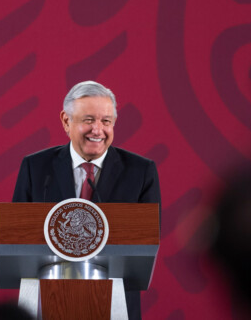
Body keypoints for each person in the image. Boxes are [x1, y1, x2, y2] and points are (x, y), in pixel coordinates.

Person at [12, 80, 160, 320]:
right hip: (48, 302)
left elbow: (147, 241)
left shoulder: (140, 171)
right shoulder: (36, 167)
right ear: (66, 121)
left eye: (106, 121)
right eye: (88, 120)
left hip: (116, 305)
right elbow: (16, 236)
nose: (98, 130)